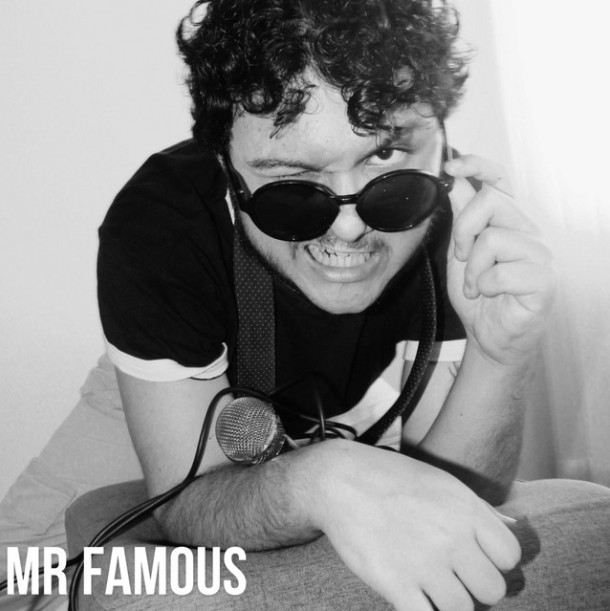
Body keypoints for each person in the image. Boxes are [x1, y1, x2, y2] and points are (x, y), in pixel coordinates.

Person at [3, 1, 610, 610]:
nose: (349, 228)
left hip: (357, 393)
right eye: (292, 181)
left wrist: (499, 355)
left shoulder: (449, 217)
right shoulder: (162, 224)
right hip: (185, 381)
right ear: (226, 170)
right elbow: (189, 502)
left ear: (445, 146)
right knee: (22, 574)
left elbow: (451, 500)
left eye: (383, 159)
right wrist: (316, 480)